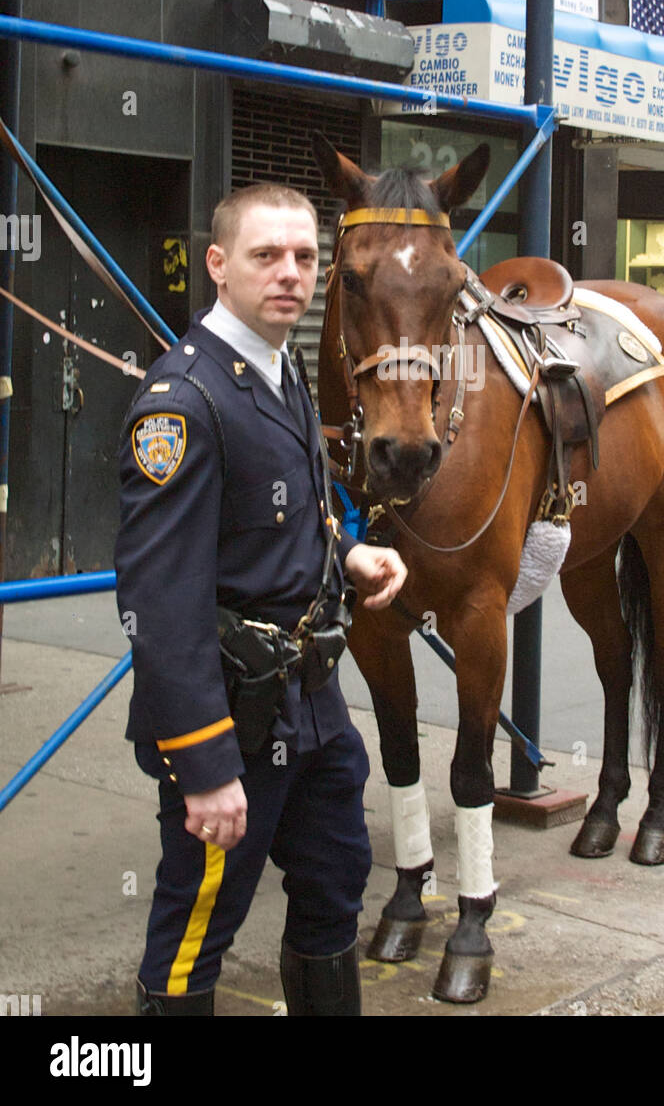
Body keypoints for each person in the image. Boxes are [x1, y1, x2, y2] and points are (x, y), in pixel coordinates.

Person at [115, 182, 407, 1016]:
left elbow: (279, 517)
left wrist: (349, 553)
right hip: (231, 724)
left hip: (313, 709)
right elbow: (160, 603)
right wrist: (205, 768)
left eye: (307, 258)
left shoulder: (281, 373)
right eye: (266, 256)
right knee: (198, 926)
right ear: (218, 265)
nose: (290, 274)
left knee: (335, 890)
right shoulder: (185, 402)